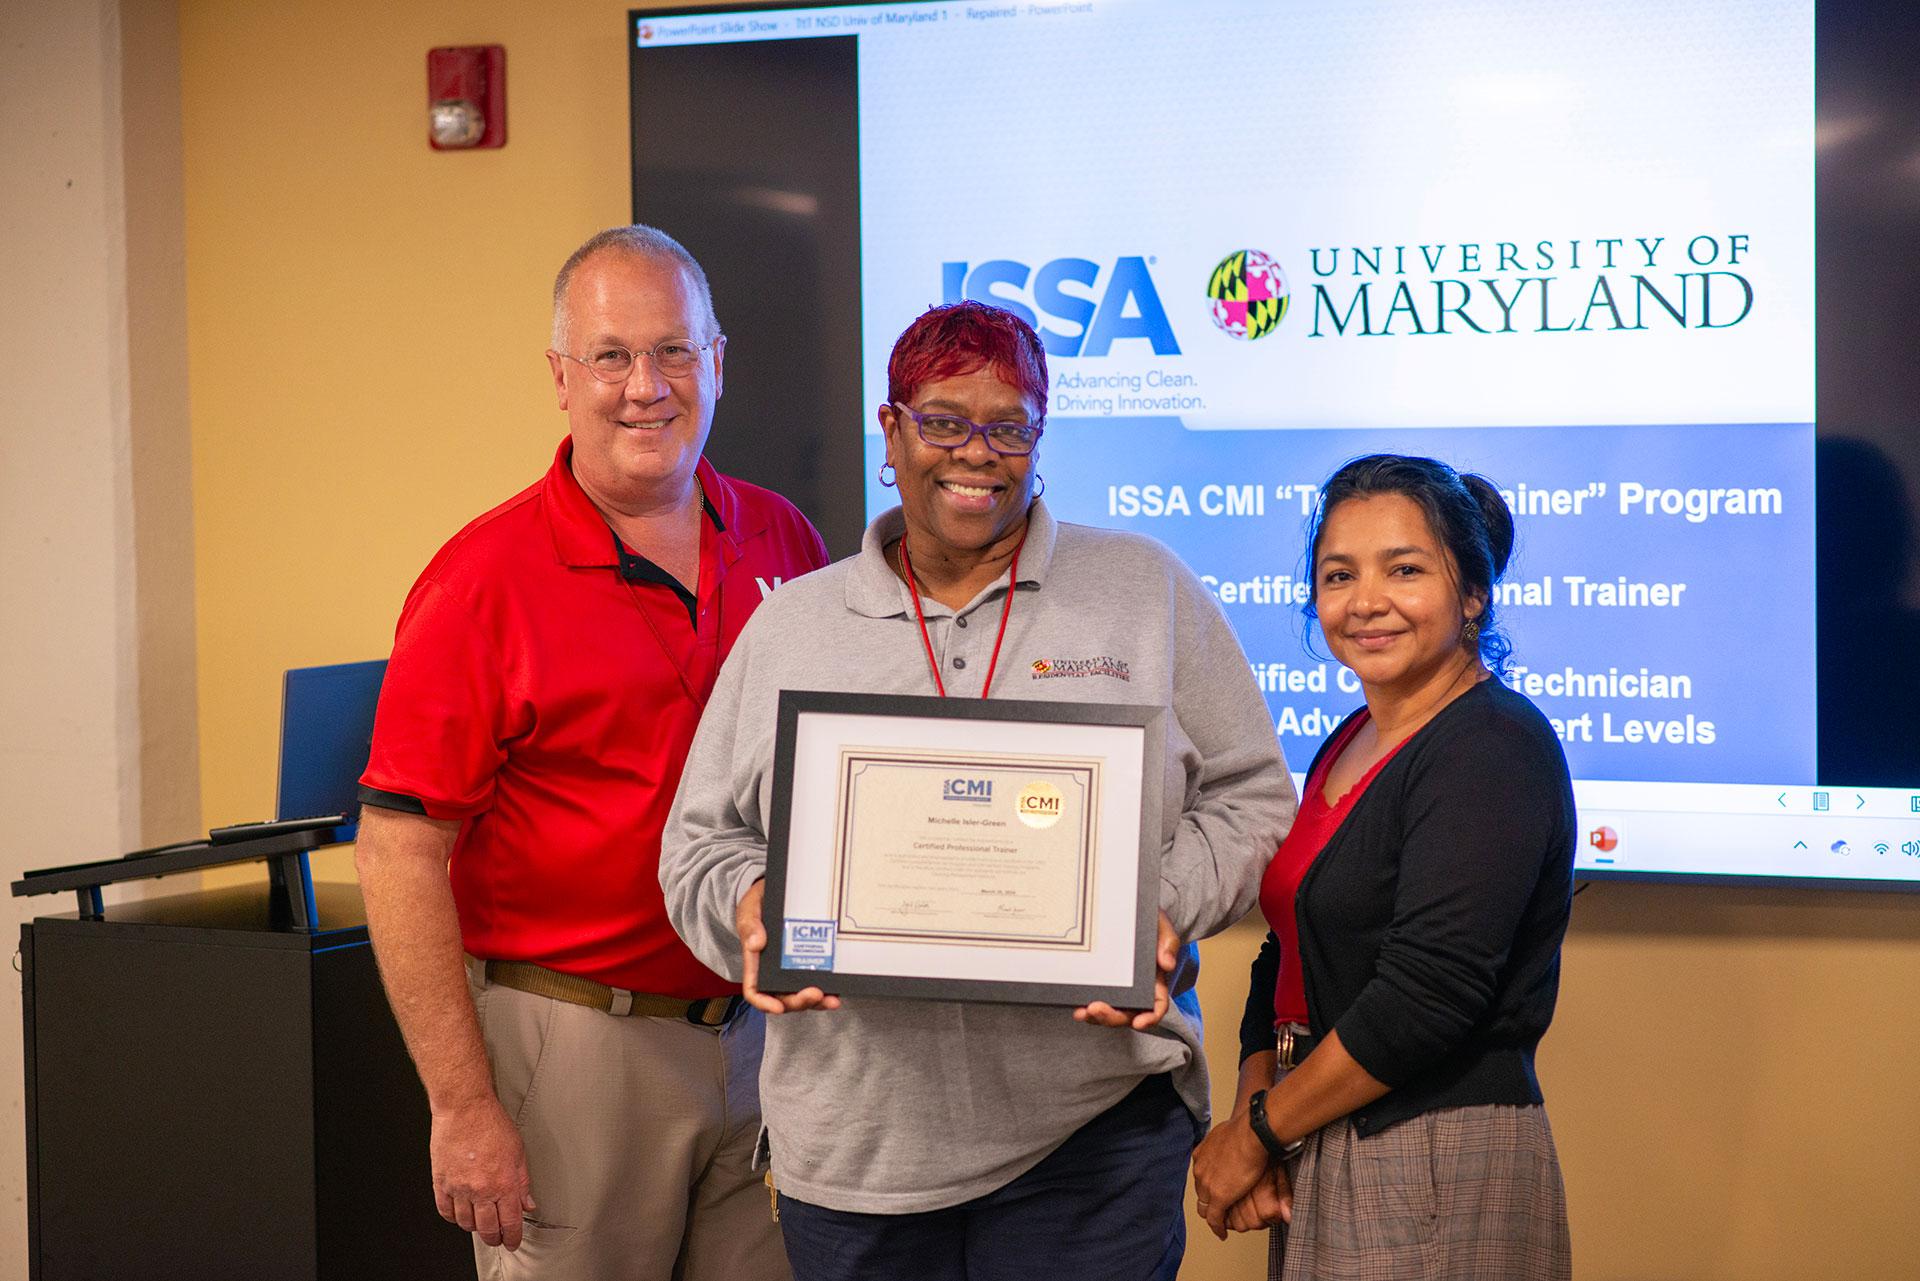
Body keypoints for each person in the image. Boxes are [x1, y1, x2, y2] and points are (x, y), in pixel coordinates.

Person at [659, 301, 1296, 1281]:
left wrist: (1156, 911)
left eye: (1010, 426)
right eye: (945, 420)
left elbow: (1255, 801)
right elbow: (702, 845)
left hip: (1090, 1140)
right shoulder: (795, 626)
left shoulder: (1145, 591)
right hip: (855, 1150)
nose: (977, 453)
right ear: (892, 430)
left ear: (1040, 436)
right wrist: (753, 908)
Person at [354, 224, 829, 1280]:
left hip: (765, 1041)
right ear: (562, 378)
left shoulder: (786, 541)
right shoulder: (480, 580)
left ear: (718, 362)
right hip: (574, 1047)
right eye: (611, 356)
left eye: (671, 351)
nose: (644, 387)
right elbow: (396, 853)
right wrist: (462, 1105)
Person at [1190, 453, 1575, 1280]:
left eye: (1405, 569)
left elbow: (1425, 998)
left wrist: (1256, 1133)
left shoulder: (1490, 745)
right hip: (1323, 1123)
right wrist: (1258, 1108)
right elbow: (1289, 946)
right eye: (1338, 575)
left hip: (1433, 1150)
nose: (1366, 601)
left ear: (1472, 593)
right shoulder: (1349, 740)